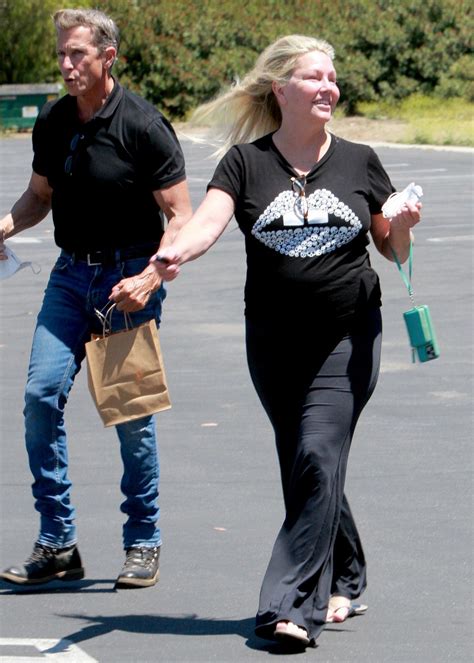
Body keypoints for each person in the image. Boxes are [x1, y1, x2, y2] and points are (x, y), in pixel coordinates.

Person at [150, 35, 421, 647]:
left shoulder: (360, 160)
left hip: (349, 335)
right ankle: (346, 574)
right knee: (307, 462)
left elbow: (392, 248)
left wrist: (400, 224)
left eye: (333, 77)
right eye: (315, 77)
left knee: (318, 454)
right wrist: (170, 257)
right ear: (281, 89)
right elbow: (207, 224)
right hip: (273, 342)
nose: (330, 87)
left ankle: (287, 607)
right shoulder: (244, 164)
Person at [0, 8, 191, 589]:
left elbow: (180, 214)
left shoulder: (143, 125)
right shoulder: (55, 121)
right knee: (39, 396)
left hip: (126, 283)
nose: (65, 63)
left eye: (77, 53)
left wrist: (153, 276)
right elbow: (40, 196)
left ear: (108, 57)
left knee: (128, 414)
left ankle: (143, 543)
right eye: (61, 52)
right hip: (69, 276)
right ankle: (58, 542)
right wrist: (6, 224)